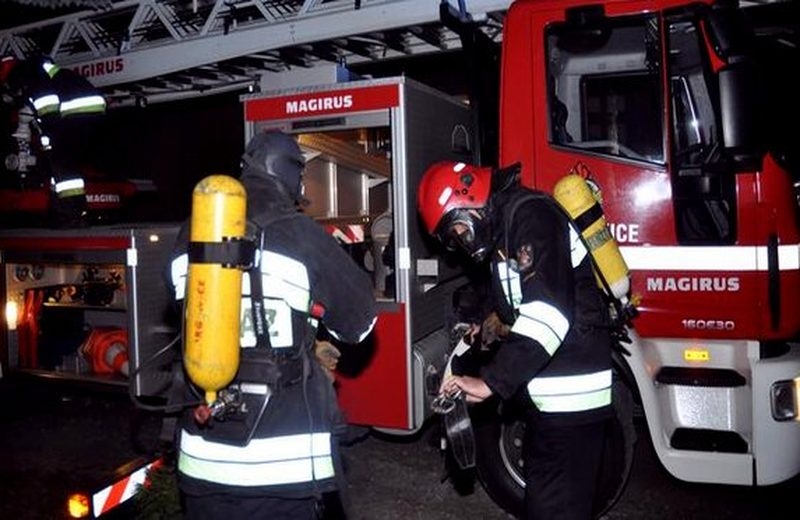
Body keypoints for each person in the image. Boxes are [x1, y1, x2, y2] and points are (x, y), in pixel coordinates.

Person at [168, 130, 377, 519]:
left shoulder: (192, 231)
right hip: (282, 469)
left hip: (203, 461)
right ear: (291, 175)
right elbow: (360, 324)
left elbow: (187, 308)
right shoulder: (300, 233)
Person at [417, 160, 614, 520]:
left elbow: (548, 314)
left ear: (469, 200)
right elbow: (512, 299)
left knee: (554, 509)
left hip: (572, 397)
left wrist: (492, 382)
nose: (460, 241)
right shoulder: (506, 231)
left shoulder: (532, 217)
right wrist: (483, 327)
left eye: (458, 229)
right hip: (551, 400)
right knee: (546, 503)